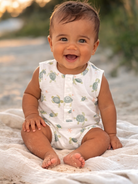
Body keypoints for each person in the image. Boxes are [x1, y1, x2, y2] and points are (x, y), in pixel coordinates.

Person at [21, 0, 122, 169]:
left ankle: (78, 155)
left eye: (82, 41)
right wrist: (31, 115)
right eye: (63, 39)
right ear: (51, 43)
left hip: (85, 131)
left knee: (102, 138)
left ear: (94, 46)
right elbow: (30, 94)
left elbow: (107, 107)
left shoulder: (97, 77)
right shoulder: (43, 71)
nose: (72, 46)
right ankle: (48, 152)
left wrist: (112, 134)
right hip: (50, 127)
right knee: (29, 132)